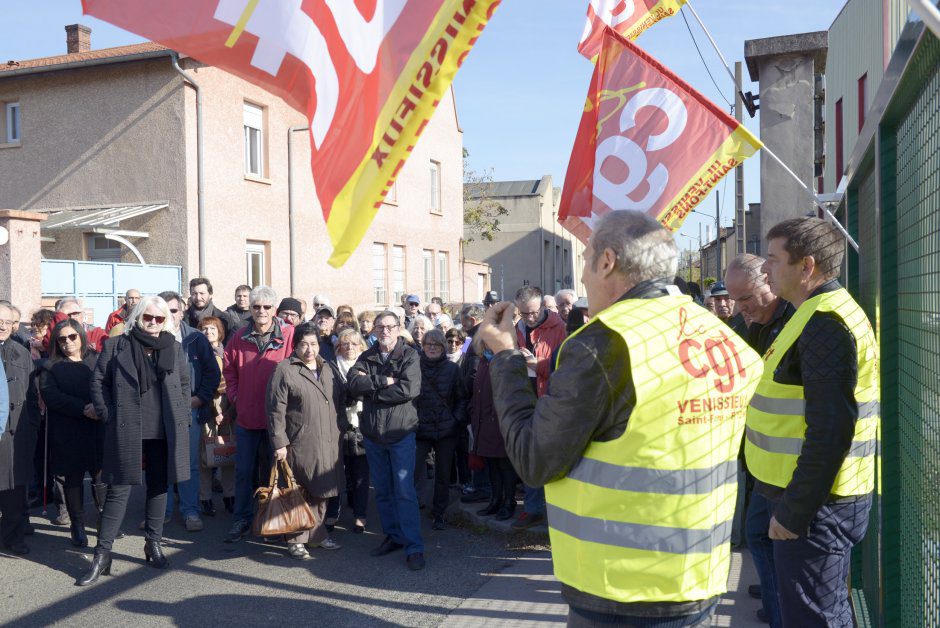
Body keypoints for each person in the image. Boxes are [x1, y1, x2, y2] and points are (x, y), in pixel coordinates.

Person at [479, 210, 763, 626]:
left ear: (607, 261)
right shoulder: (717, 332)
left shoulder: (605, 341)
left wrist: (504, 355)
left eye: (585, 262)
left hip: (623, 587)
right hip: (699, 570)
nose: (583, 280)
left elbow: (535, 459)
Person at [745, 217, 878, 627]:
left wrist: (794, 511)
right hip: (817, 498)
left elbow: (832, 427)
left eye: (773, 259)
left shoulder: (825, 322)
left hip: (817, 505)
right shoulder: (815, 313)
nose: (765, 269)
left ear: (807, 266)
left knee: (816, 619)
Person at [81, 296, 192, 585]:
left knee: (158, 486)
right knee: (117, 491)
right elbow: (98, 382)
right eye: (148, 318)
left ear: (165, 320)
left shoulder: (174, 348)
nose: (153, 323)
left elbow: (183, 383)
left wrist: (182, 416)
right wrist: (108, 413)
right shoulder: (116, 345)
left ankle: (152, 543)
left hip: (164, 428)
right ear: (137, 318)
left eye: (159, 318)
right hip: (126, 426)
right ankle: (102, 555)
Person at [724, 253, 795, 626]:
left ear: (769, 281)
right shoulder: (746, 323)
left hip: (792, 466)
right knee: (758, 534)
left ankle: (778, 607)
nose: (741, 308)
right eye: (736, 300)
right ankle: (773, 598)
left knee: (766, 537)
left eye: (746, 298)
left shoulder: (796, 323)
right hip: (761, 456)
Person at [346, 311, 425, 571]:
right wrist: (382, 381)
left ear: (398, 327)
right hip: (373, 435)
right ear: (374, 330)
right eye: (380, 327)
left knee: (404, 491)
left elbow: (408, 389)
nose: (385, 331)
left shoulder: (409, 355)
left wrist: (374, 395)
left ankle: (414, 546)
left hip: (400, 433)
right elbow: (354, 384)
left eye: (390, 326)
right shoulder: (366, 356)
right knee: (382, 490)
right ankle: (393, 536)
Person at [266, 322, 345, 559]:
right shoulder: (285, 369)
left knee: (323, 489)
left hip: (329, 439)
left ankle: (317, 535)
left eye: (313, 344)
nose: (309, 349)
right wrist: (279, 442)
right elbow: (274, 409)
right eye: (303, 344)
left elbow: (339, 399)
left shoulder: (328, 368)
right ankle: (295, 539)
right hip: (300, 440)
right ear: (295, 345)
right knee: (299, 491)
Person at [223, 286, 295, 543]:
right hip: (247, 417)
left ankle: (273, 518)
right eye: (256, 307)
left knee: (275, 471)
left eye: (266, 307)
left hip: (278, 420)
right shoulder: (239, 336)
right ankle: (242, 517)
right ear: (250, 309)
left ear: (274, 309)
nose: (261, 311)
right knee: (244, 470)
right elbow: (229, 369)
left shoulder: (288, 335)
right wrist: (234, 396)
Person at [39, 319, 105, 548]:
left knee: (100, 475)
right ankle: (77, 524)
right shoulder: (50, 366)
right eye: (62, 339)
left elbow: (107, 387)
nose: (68, 342)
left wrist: (98, 408)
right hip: (68, 430)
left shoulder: (96, 360)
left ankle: (104, 520)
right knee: (73, 478)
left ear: (81, 336)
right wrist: (83, 409)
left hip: (97, 427)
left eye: (72, 337)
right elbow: (51, 396)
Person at [159, 291, 221, 533]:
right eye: (164, 310)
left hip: (189, 410)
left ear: (182, 312)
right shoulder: (150, 338)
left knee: (189, 464)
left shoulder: (196, 338)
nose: (168, 315)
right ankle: (160, 513)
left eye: (173, 310)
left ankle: (190, 510)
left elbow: (212, 374)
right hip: (159, 412)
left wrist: (199, 399)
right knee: (160, 462)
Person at [512, 285, 566, 531]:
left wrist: (537, 364)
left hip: (550, 399)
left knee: (552, 455)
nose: (530, 318)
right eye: (524, 314)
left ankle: (555, 509)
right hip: (525, 398)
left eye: (533, 312)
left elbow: (565, 368)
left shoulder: (559, 329)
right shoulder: (518, 328)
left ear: (543, 307)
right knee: (528, 453)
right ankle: (532, 508)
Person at [414, 329, 466, 531]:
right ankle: (411, 509)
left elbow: (462, 398)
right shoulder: (415, 367)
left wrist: (455, 420)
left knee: (443, 475)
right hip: (420, 428)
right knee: (412, 473)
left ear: (443, 347)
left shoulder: (453, 369)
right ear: (423, 346)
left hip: (446, 429)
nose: (432, 347)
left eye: (436, 344)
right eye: (428, 344)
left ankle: (439, 513)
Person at [0, 304, 38, 555]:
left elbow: (32, 393)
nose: (2, 325)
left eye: (7, 321)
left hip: (16, 432)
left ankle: (12, 537)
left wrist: (31, 425)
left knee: (14, 490)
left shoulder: (20, 352)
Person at [469, 335, 518, 521]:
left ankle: (509, 502)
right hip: (483, 422)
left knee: (505, 465)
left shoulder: (507, 361)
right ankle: (495, 500)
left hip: (501, 422)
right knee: (492, 465)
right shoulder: (483, 361)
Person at [331, 328, 370, 534]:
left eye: (354, 344)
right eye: (345, 343)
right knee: (337, 473)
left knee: (361, 475)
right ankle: (332, 513)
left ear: (360, 346)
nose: (349, 347)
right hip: (337, 425)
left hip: (361, 425)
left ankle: (360, 515)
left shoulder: (367, 365)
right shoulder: (331, 366)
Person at [196, 316, 235, 515]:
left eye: (212, 328)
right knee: (206, 455)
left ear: (220, 332)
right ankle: (205, 498)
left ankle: (230, 496)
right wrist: (215, 412)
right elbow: (202, 386)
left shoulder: (227, 353)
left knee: (228, 453)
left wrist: (228, 411)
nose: (208, 332)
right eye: (204, 329)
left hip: (228, 406)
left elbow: (234, 381)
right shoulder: (197, 354)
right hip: (207, 407)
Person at [187, 277, 236, 342]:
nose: (198, 297)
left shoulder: (224, 319)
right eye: (194, 294)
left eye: (202, 293)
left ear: (210, 294)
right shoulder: (183, 319)